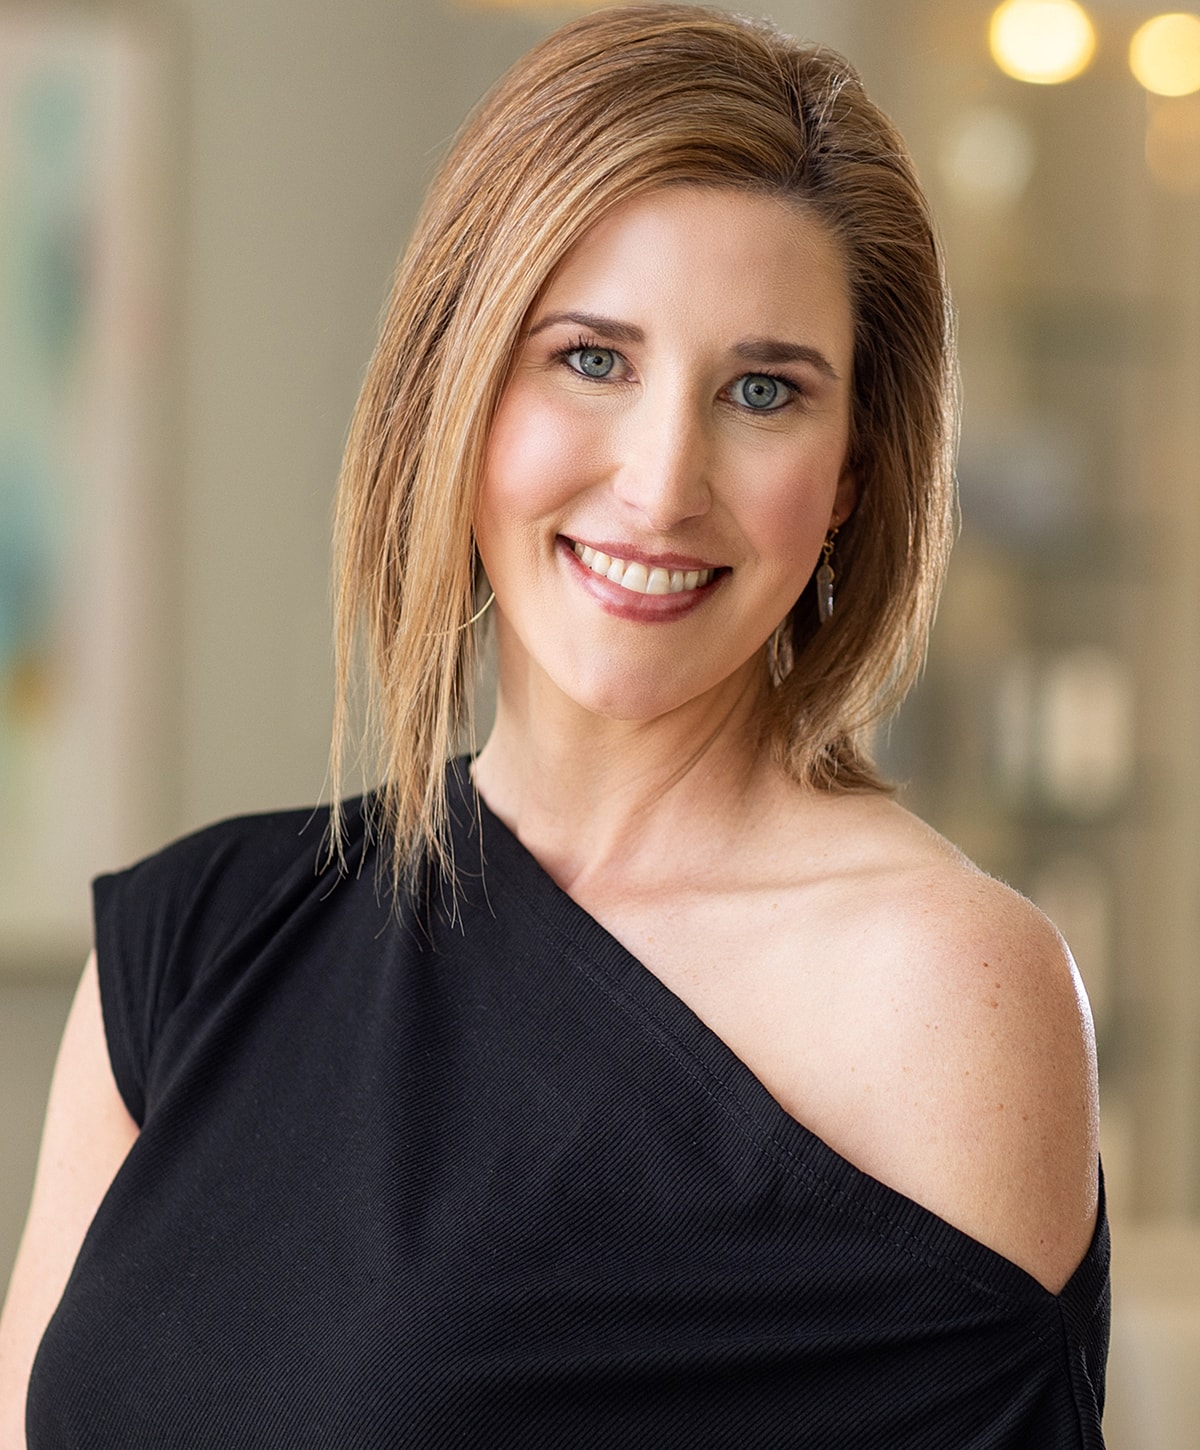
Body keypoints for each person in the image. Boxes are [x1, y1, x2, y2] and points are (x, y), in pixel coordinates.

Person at [1, 5, 1108, 1445]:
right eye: (591, 358)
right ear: (459, 388)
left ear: (847, 477)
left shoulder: (945, 991)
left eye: (762, 391)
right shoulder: (189, 949)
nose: (660, 484)